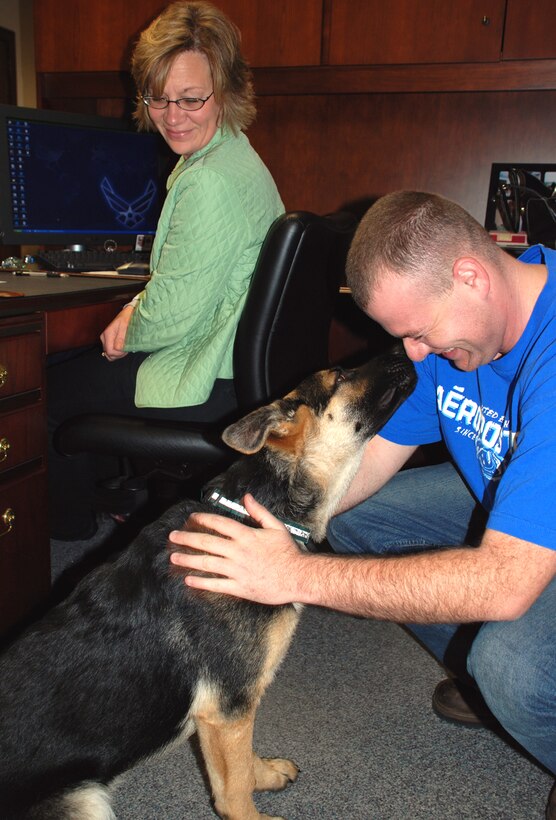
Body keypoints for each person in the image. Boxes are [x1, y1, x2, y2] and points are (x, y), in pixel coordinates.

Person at [168, 191, 556, 816]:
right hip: (515, 497)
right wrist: (234, 524)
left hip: (531, 550)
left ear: (471, 276)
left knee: (513, 665)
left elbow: (504, 582)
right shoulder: (451, 332)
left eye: (419, 334)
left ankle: (518, 689)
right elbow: (349, 477)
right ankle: (483, 681)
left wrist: (291, 573)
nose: (414, 356)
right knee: (351, 520)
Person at [48, 0, 284, 541]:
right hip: (238, 370)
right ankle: (111, 503)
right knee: (72, 363)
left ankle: (64, 540)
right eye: (158, 98)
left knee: (45, 393)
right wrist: (135, 308)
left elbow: (174, 318)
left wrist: (130, 328)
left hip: (205, 376)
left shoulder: (208, 180)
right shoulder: (237, 156)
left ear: (225, 91)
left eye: (190, 99)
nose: (171, 116)